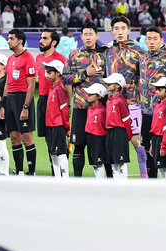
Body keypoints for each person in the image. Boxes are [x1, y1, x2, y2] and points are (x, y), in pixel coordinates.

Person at [105, 15, 147, 178]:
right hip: (113, 104)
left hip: (132, 103)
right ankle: (118, 178)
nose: (120, 32)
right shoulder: (109, 51)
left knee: (137, 141)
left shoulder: (138, 51)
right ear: (112, 31)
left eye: (123, 28)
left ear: (129, 30)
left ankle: (144, 176)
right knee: (116, 141)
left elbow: (144, 78)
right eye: (116, 29)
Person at [63, 22, 107, 177]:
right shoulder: (74, 55)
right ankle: (77, 180)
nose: (88, 37)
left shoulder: (105, 54)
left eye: (91, 34)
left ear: (97, 35)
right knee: (79, 145)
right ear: (81, 36)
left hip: (101, 109)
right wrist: (84, 73)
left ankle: (107, 182)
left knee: (102, 145)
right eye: (85, 34)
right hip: (81, 106)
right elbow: (66, 78)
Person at [0, 28, 37, 175]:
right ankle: (20, 171)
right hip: (10, 101)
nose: (8, 41)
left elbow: (31, 85)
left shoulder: (28, 58)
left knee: (26, 137)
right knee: (14, 137)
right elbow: (7, 84)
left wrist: (26, 107)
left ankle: (31, 172)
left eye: (11, 38)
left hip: (22, 99)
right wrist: (3, 104)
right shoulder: (10, 59)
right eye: (8, 38)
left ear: (20, 41)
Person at [139, 26, 166, 178]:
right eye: (149, 39)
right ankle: (152, 182)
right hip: (146, 111)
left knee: (164, 147)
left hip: (163, 112)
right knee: (147, 148)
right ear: (145, 40)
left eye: (155, 39)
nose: (151, 42)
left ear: (162, 40)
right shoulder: (143, 57)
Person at [36, 29, 67, 173]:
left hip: (56, 100)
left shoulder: (61, 59)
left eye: (45, 38)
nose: (41, 41)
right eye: (41, 38)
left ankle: (63, 170)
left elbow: (66, 83)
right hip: (42, 100)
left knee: (58, 136)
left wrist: (68, 103)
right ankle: (55, 170)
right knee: (47, 138)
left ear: (53, 42)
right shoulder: (38, 58)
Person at [43, 59, 71, 179]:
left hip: (58, 126)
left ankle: (65, 178)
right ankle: (57, 178)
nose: (47, 74)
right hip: (50, 125)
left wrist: (67, 127)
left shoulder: (59, 89)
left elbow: (64, 110)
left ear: (58, 73)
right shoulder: (53, 88)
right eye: (47, 72)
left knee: (60, 153)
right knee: (53, 153)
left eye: (50, 72)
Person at [103, 73, 133, 179]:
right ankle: (116, 184)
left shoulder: (120, 101)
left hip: (119, 133)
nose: (107, 84)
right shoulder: (109, 100)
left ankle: (123, 185)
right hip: (110, 132)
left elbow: (126, 120)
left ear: (117, 85)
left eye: (110, 83)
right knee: (113, 161)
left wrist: (128, 136)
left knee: (121, 161)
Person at [149, 76, 166, 179]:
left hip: (163, 139)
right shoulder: (157, 105)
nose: (156, 92)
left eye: (160, 89)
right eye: (156, 89)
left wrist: (165, 145)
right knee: (161, 168)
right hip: (156, 139)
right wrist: (151, 143)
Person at [82, 83, 107, 178]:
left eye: (91, 94)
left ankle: (100, 183)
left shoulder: (102, 110)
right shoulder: (90, 108)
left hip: (99, 138)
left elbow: (105, 125)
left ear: (99, 96)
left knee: (99, 162)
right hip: (90, 137)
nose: (88, 96)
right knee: (94, 163)